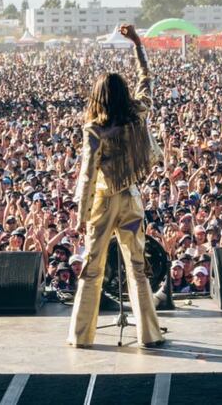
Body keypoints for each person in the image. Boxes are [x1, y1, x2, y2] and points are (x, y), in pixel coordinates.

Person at [67, 24, 165, 349]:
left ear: (96, 96)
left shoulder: (94, 129)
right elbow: (146, 80)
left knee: (92, 268)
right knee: (138, 269)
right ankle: (149, 333)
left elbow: (87, 174)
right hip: (133, 199)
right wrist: (137, 44)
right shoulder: (137, 115)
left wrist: (81, 214)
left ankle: (81, 336)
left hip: (104, 201)